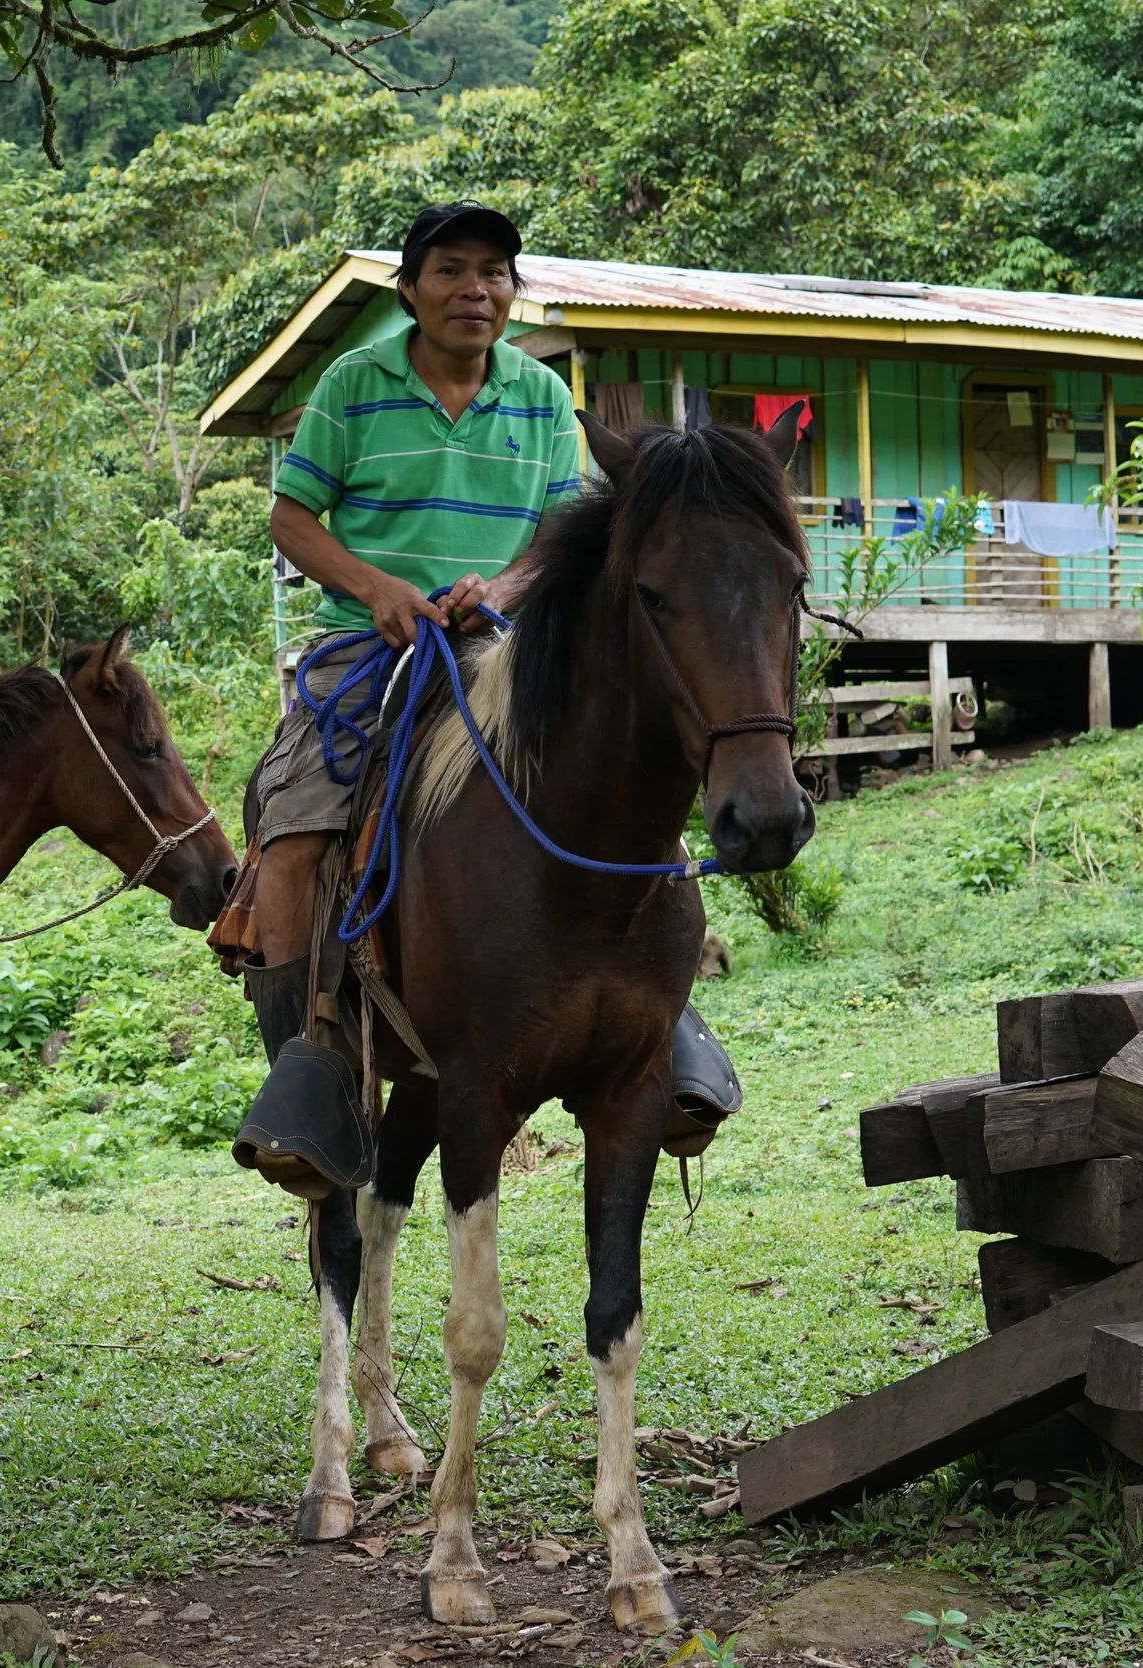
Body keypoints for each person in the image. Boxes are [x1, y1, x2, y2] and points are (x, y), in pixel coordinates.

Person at [229, 201, 741, 1196]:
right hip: (365, 649)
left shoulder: (543, 396)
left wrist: (498, 592)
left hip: (507, 643)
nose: (477, 290)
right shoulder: (352, 384)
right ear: (409, 290)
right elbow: (292, 518)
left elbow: (556, 535)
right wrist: (380, 590)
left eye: (496, 273)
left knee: (632, 792)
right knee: (290, 828)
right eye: (453, 271)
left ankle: (662, 1022)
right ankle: (314, 1062)